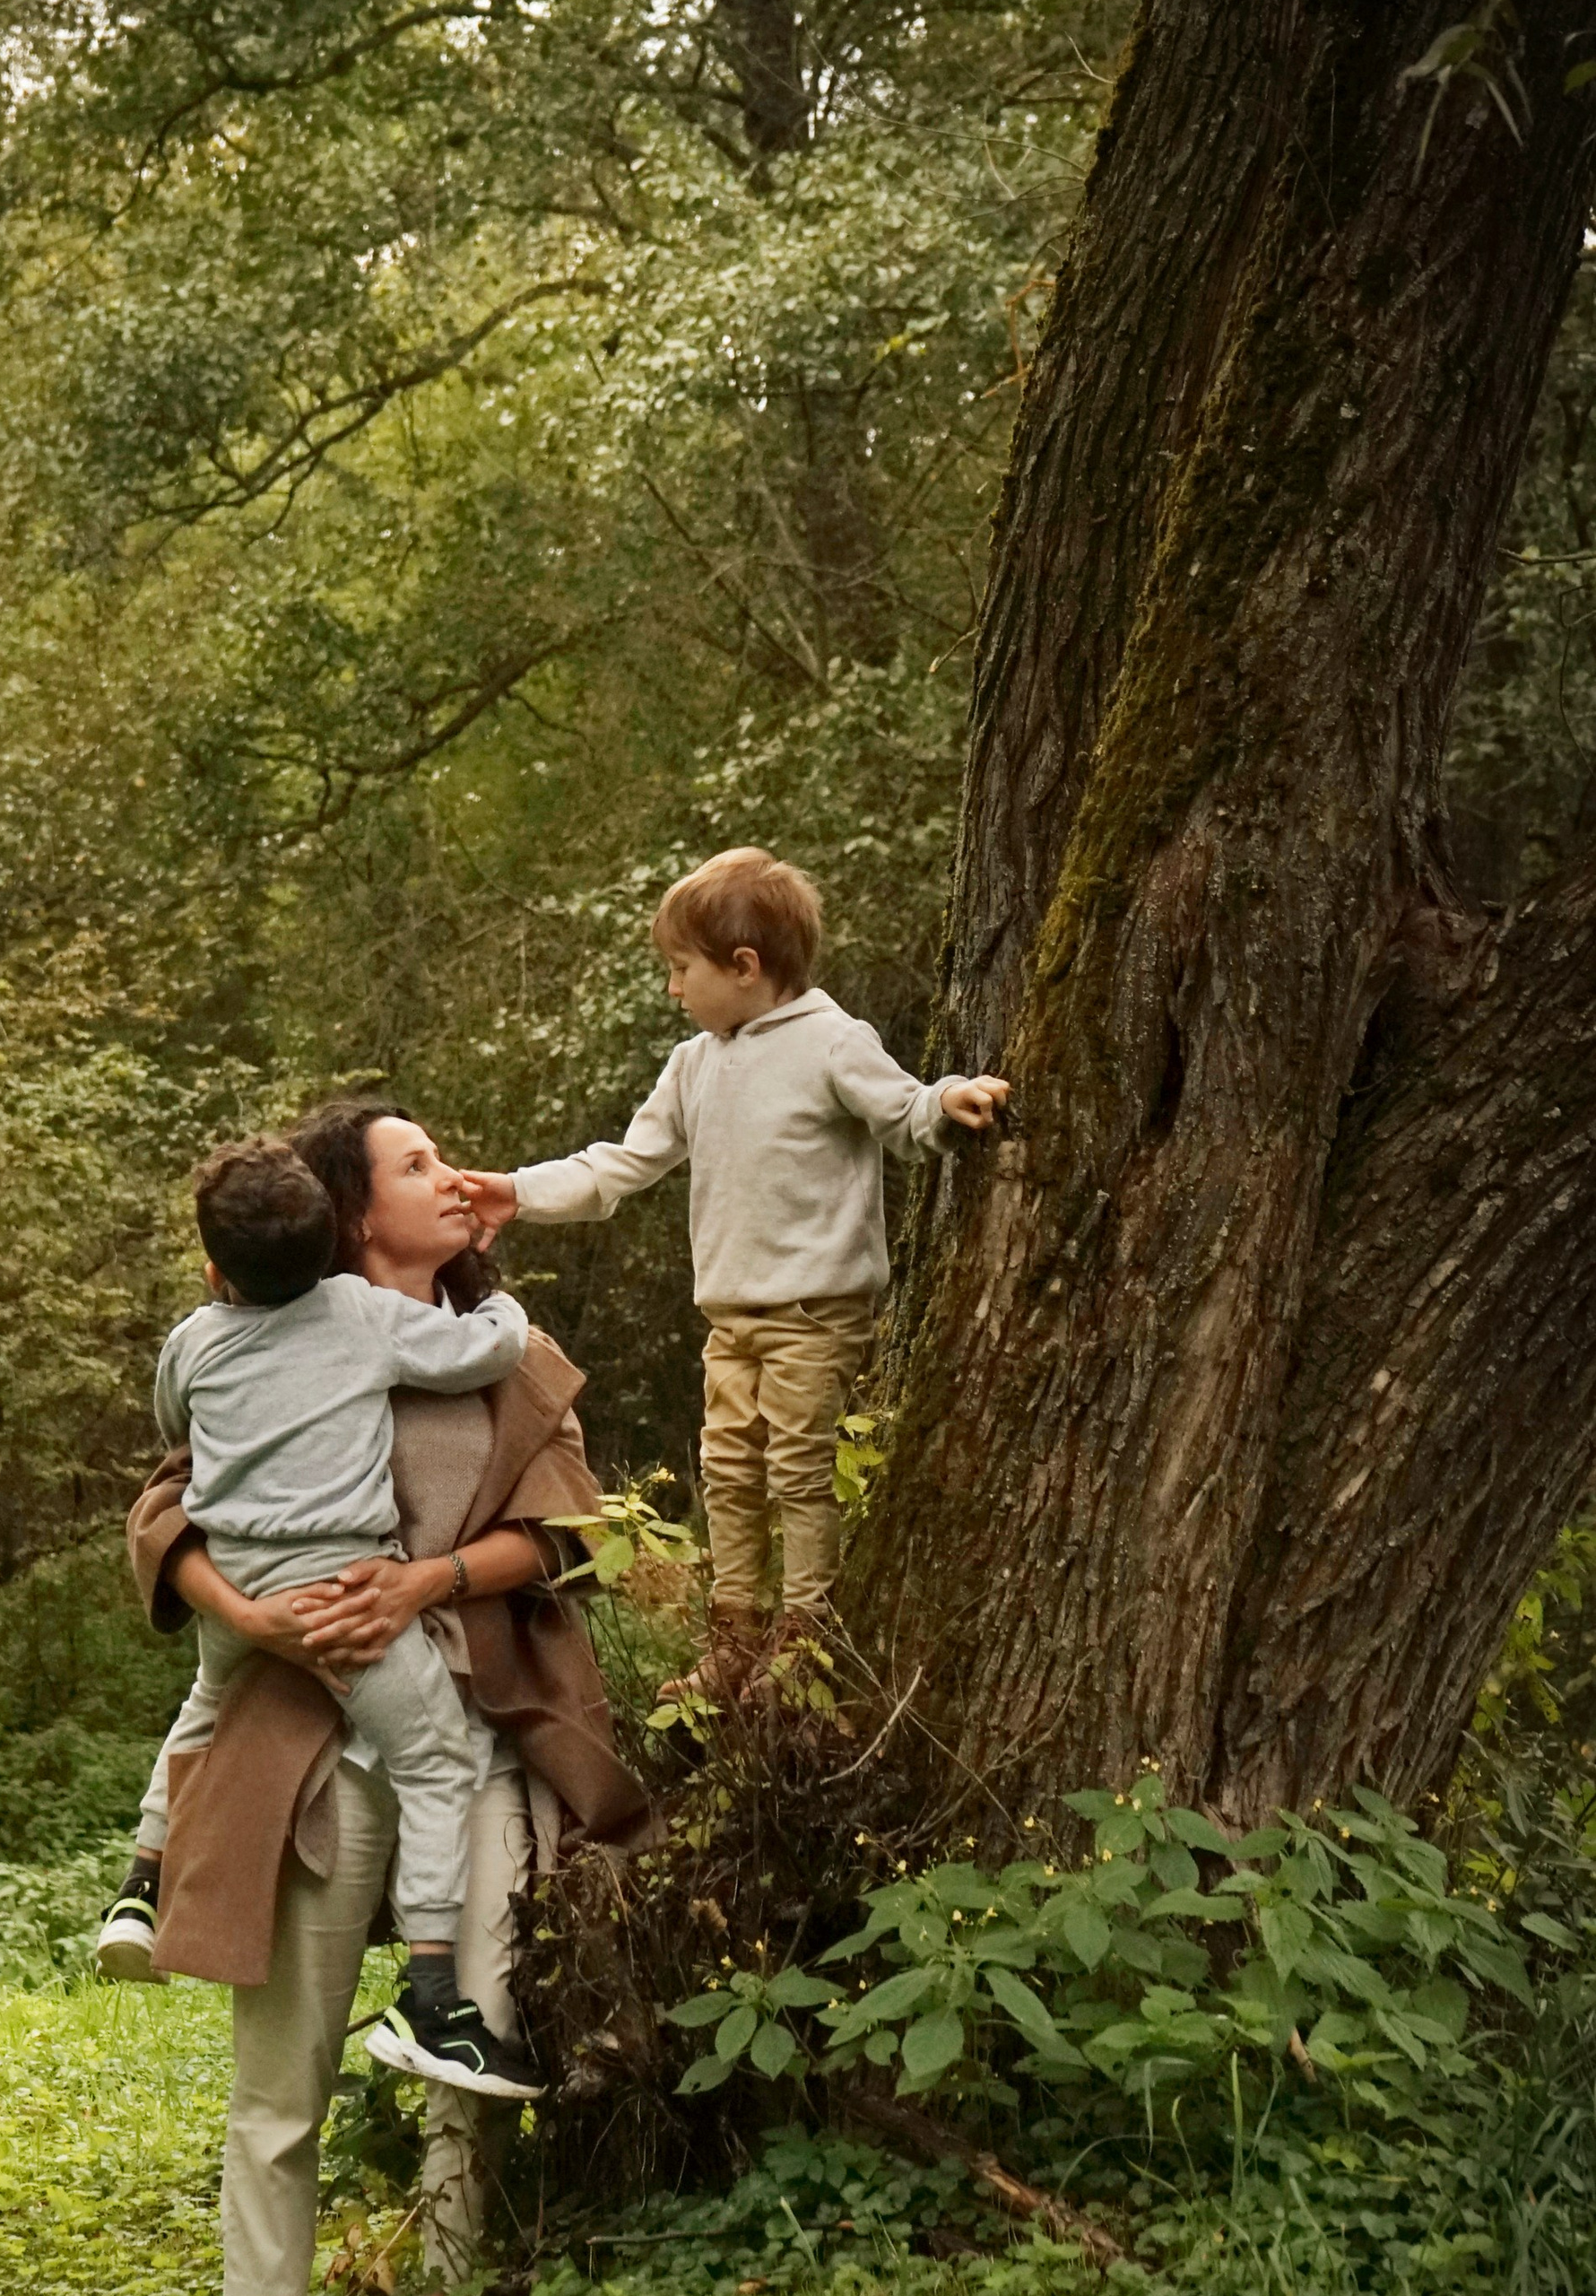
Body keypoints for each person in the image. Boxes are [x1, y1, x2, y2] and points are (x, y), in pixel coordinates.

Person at [125, 1100, 654, 2296]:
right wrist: (254, 1616)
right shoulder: (260, 1338)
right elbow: (166, 1513)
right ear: (356, 1213)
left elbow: (575, 1533)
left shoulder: (502, 1349)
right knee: (280, 2093)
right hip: (310, 1751)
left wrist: (430, 1580)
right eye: (419, 1165)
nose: (456, 1177)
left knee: (473, 2066)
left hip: (485, 1740)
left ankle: (455, 2273)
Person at [460, 847, 1010, 1700]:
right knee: (729, 1472)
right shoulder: (694, 1065)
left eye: (683, 969)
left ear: (745, 967)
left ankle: (805, 1638)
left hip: (814, 1312)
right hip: (733, 1321)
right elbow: (618, 1166)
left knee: (796, 1470)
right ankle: (736, 1640)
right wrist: (517, 1191)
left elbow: (903, 1111)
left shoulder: (832, 1041)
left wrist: (949, 1099)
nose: (675, 990)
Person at [97, 1135, 541, 2099]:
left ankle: (138, 1885)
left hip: (243, 1586)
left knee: (202, 1710)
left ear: (216, 1270)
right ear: (340, 1234)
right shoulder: (359, 1314)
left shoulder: (195, 1339)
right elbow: (489, 1349)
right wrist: (502, 1303)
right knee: (440, 1761)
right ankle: (430, 1996)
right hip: (346, 1592)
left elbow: (175, 1430)